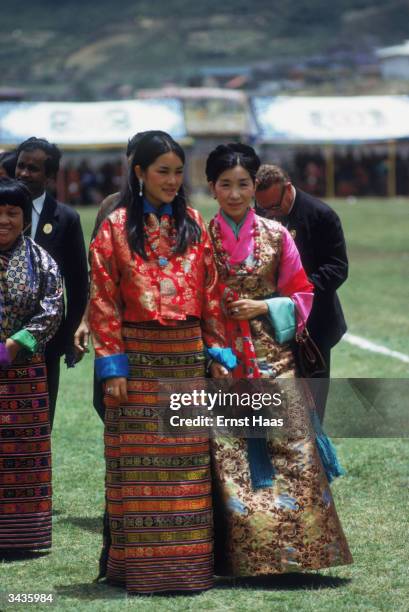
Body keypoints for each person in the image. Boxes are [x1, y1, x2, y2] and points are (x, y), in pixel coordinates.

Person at [88, 130, 235, 594]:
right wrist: (113, 367)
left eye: (177, 172)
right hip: (138, 360)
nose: (172, 181)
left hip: (185, 361)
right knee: (135, 469)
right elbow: (104, 300)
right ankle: (136, 571)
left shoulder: (193, 222)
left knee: (186, 468)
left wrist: (217, 352)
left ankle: (188, 570)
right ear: (139, 173)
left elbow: (211, 295)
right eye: (162, 172)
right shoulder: (114, 227)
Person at [206, 143, 352, 577]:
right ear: (212, 188)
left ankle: (303, 556)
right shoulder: (199, 239)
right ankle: (246, 560)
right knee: (231, 460)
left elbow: (303, 293)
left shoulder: (277, 235)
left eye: (243, 184)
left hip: (275, 359)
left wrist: (265, 306)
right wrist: (212, 351)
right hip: (224, 360)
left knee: (294, 451)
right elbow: (196, 299)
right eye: (226, 185)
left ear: (255, 186)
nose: (235, 194)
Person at [255, 164, 348, 422]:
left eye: (274, 207)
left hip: (314, 325)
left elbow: (338, 268)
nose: (269, 214)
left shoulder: (321, 215)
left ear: (288, 188)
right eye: (263, 209)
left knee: (312, 401)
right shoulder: (259, 214)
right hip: (271, 321)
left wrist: (299, 292)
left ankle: (317, 456)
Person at [0, 178, 63, 553]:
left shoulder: (41, 260)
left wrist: (14, 344)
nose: (4, 220)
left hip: (25, 375)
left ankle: (23, 537)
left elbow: (52, 308)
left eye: (12, 213)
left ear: (24, 218)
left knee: (24, 454)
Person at [15, 137, 88, 429]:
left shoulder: (66, 218)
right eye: (21, 166)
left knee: (39, 421)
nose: (23, 174)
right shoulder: (3, 209)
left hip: (46, 341)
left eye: (33, 168)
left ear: (49, 176)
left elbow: (78, 283)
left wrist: (66, 338)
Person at [74, 133, 147, 422]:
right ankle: (121, 465)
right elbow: (97, 271)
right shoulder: (110, 207)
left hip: (157, 328)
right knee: (105, 400)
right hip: (112, 323)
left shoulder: (178, 213)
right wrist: (85, 319)